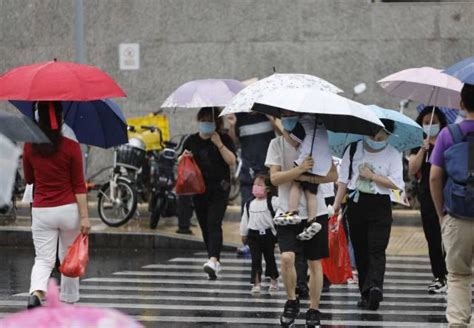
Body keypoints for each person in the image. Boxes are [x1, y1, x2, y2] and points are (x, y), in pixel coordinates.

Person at [265, 110, 337, 327]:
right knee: (287, 257)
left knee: (315, 263)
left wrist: (306, 175)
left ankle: (314, 310)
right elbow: (275, 178)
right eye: (284, 115)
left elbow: (333, 175)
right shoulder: (276, 144)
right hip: (287, 212)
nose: (288, 118)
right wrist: (299, 170)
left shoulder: (318, 141)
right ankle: (291, 301)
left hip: (317, 213)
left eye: (292, 115)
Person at [23, 101, 90, 309]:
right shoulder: (71, 147)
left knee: (43, 259)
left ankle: (36, 293)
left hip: (42, 209)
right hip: (68, 209)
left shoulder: (29, 146)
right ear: (60, 119)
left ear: (38, 118)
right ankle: (69, 302)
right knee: (68, 257)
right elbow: (79, 185)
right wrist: (85, 217)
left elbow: (29, 179)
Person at [333, 120, 404, 311]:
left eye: (381, 137)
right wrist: (336, 204)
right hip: (356, 204)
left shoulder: (393, 154)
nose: (376, 140)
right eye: (373, 135)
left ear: (388, 136)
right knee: (361, 249)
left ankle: (375, 287)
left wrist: (373, 176)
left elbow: (397, 184)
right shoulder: (353, 149)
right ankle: (365, 293)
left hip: (380, 205)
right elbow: (343, 180)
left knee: (377, 248)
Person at [430, 83, 474, 327]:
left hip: (456, 216)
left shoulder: (449, 134)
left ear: (461, 104)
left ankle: (457, 323)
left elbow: (435, 177)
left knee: (458, 275)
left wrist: (441, 215)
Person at [180, 107, 236, 280]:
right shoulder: (191, 140)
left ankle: (213, 259)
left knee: (214, 222)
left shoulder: (224, 138)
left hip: (220, 189)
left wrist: (219, 144)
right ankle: (213, 260)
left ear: (216, 123)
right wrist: (184, 157)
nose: (206, 124)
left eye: (210, 121)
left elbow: (232, 161)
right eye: (203, 120)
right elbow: (181, 163)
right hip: (198, 190)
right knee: (204, 225)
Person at [408, 106, 448, 293]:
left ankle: (451, 274)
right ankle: (439, 275)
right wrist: (423, 150)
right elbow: (412, 169)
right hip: (426, 195)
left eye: (433, 122)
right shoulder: (418, 143)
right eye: (426, 123)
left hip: (446, 193)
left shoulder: (447, 139)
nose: (430, 125)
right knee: (432, 236)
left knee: (449, 236)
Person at [274, 115, 333, 242]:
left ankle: (292, 212)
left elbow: (294, 141)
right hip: (319, 164)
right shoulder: (323, 124)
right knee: (311, 193)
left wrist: (284, 130)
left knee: (295, 184)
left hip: (305, 159)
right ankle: (312, 220)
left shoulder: (303, 121)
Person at [226, 112, 279, 210]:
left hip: (269, 169)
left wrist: (272, 119)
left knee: (271, 206)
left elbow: (282, 134)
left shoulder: (267, 113)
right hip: (248, 171)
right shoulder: (238, 117)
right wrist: (232, 125)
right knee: (248, 206)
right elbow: (232, 142)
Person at [239, 173, 279, 294]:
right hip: (253, 236)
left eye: (259, 185)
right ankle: (256, 283)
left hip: (268, 235)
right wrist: (243, 233)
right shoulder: (249, 203)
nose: (256, 187)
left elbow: (282, 210)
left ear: (268, 188)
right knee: (255, 260)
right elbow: (245, 219)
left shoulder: (273, 201)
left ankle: (273, 280)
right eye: (255, 184)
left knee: (269, 258)